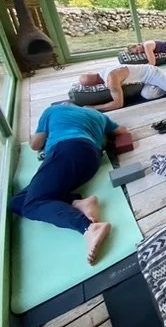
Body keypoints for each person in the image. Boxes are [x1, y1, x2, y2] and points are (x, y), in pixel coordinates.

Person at [9, 104, 129, 265]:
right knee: (17, 202)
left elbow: (35, 145)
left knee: (32, 204)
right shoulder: (97, 115)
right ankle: (77, 203)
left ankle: (88, 227)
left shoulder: (52, 110)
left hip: (66, 151)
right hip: (92, 159)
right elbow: (122, 131)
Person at [79, 64, 166, 111]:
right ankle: (165, 85)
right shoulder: (102, 73)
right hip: (143, 81)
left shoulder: (111, 80)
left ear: (96, 85)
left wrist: (94, 108)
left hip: (152, 73)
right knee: (147, 95)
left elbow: (118, 104)